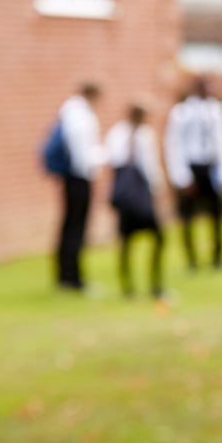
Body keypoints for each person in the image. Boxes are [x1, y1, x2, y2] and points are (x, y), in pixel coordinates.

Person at [164, 77, 222, 270]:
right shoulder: (181, 112)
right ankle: (191, 259)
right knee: (188, 217)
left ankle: (218, 256)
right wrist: (181, 176)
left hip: (213, 167)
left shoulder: (220, 111)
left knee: (217, 215)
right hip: (192, 167)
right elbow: (173, 144)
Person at [105, 103, 165, 299]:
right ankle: (154, 285)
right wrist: (158, 190)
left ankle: (128, 288)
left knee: (125, 242)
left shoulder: (116, 133)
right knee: (158, 238)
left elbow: (112, 161)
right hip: (140, 198)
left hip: (124, 199)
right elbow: (150, 167)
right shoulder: (144, 136)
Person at [54, 82, 104, 290]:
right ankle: (72, 278)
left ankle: (67, 275)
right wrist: (104, 155)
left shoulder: (70, 112)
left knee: (69, 226)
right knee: (76, 228)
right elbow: (82, 156)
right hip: (78, 178)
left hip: (71, 177)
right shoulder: (81, 116)